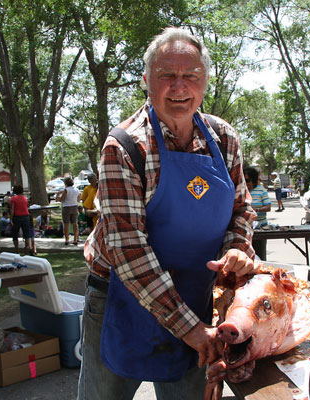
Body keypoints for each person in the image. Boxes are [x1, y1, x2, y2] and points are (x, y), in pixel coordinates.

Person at [78, 27, 256, 400]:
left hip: (196, 296)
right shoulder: (125, 146)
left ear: (204, 80)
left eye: (190, 75)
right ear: (147, 80)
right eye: (167, 76)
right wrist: (189, 329)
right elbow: (128, 250)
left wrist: (238, 247)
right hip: (121, 297)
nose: (179, 87)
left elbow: (241, 209)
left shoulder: (223, 140)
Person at [245, 167, 271, 260]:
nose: (246, 183)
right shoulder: (241, 191)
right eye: (244, 180)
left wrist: (256, 210)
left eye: (248, 180)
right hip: (245, 230)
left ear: (254, 180)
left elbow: (268, 207)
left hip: (260, 229)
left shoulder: (261, 190)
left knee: (261, 257)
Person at [56, 177, 81, 245]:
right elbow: (79, 199)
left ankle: (67, 239)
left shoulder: (66, 190)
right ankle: (75, 239)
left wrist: (58, 195)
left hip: (66, 207)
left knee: (66, 223)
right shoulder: (77, 189)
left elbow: (62, 199)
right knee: (75, 223)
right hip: (74, 206)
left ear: (66, 183)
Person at [9, 184, 33, 255]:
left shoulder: (13, 199)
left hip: (17, 217)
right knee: (26, 235)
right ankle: (26, 250)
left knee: (15, 234)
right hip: (26, 216)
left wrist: (10, 219)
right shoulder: (24, 198)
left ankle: (17, 251)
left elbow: (12, 209)